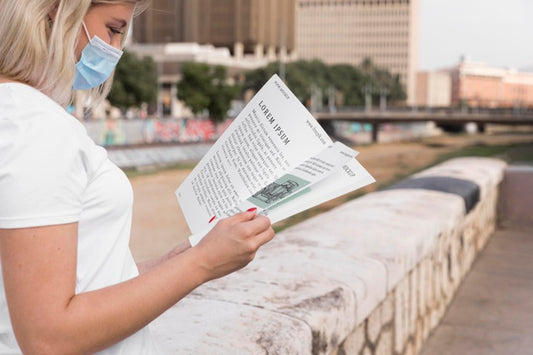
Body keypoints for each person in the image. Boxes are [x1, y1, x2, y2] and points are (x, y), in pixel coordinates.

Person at [0, 1, 275, 354]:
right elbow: (48, 336)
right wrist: (201, 264)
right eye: (114, 29)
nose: (115, 51)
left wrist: (176, 260)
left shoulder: (18, 113)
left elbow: (74, 281)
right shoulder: (36, 127)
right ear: (58, 9)